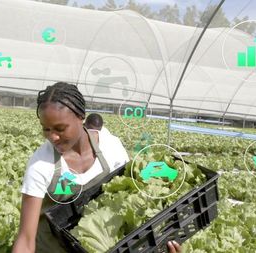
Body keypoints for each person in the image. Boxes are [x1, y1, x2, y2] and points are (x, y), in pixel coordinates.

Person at [11, 82, 182, 253]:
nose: (53, 137)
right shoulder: (40, 164)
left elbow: (126, 201)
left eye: (60, 128)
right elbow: (26, 239)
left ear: (81, 116)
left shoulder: (111, 147)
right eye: (46, 129)